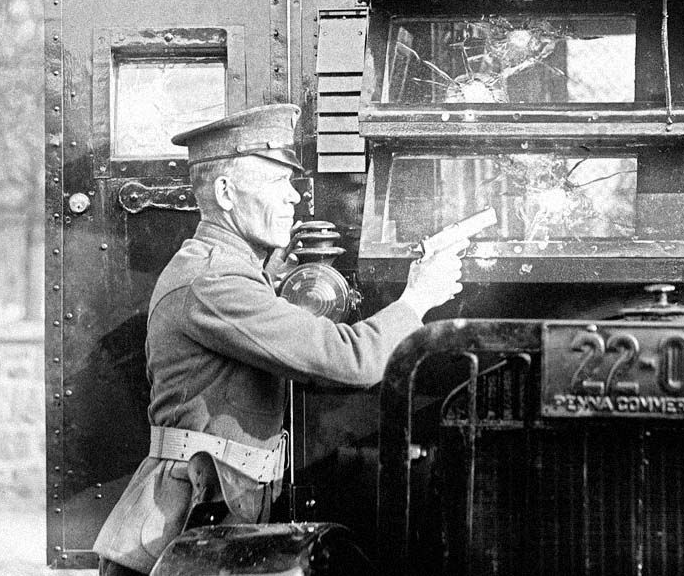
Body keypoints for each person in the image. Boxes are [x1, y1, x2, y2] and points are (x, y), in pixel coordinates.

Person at [93, 103, 464, 575]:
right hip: (184, 528)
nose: (295, 198)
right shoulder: (215, 282)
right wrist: (417, 299)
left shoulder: (231, 271)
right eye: (277, 183)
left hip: (214, 515)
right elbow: (353, 359)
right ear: (226, 193)